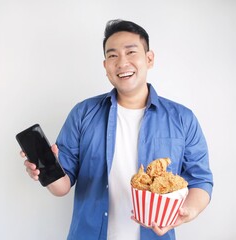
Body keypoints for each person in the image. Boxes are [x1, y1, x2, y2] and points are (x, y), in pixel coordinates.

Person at [22, 19, 213, 240]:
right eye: (113, 55)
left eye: (131, 52)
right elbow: (61, 187)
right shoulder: (83, 113)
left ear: (149, 59)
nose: (122, 62)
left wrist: (185, 212)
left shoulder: (183, 118)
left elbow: (200, 180)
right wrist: (44, 169)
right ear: (105, 66)